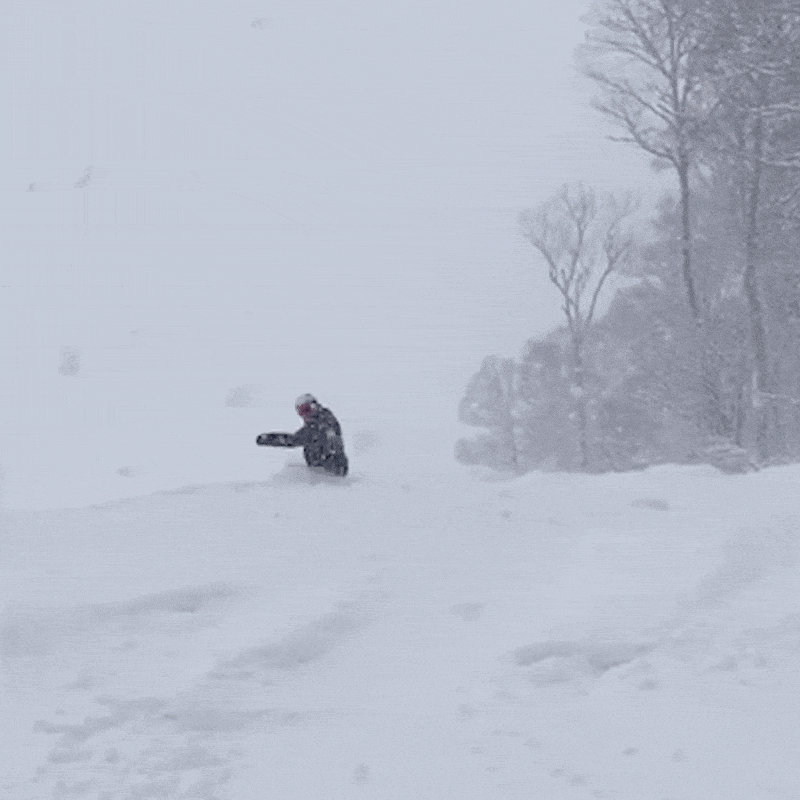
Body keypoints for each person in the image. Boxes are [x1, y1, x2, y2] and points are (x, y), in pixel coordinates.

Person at [256, 394, 349, 476]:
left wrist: (268, 439)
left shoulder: (319, 426)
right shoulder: (325, 419)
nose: (305, 415)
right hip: (329, 471)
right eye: (301, 412)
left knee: (292, 472)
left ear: (315, 407)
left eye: (307, 410)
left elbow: (292, 440)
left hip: (327, 474)